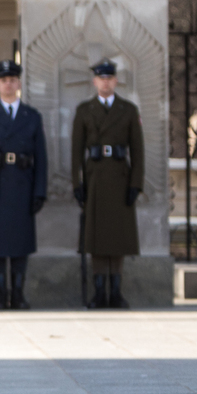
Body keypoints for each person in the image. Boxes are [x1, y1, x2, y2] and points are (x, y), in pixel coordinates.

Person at [0, 60, 48, 310]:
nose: (8, 84)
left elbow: (41, 158)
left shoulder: (31, 116)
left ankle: (18, 292)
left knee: (20, 242)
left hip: (22, 184)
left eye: (13, 80)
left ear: (19, 83)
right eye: (4, 81)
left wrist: (39, 192)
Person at [71, 59, 144, 309]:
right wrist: (76, 184)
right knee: (97, 239)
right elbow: (76, 151)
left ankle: (116, 291)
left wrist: (136, 184)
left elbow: (138, 150)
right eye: (101, 78)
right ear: (95, 81)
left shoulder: (128, 110)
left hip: (120, 179)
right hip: (95, 180)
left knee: (119, 238)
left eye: (109, 78)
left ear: (115, 81)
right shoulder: (84, 110)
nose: (105, 82)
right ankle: (99, 291)